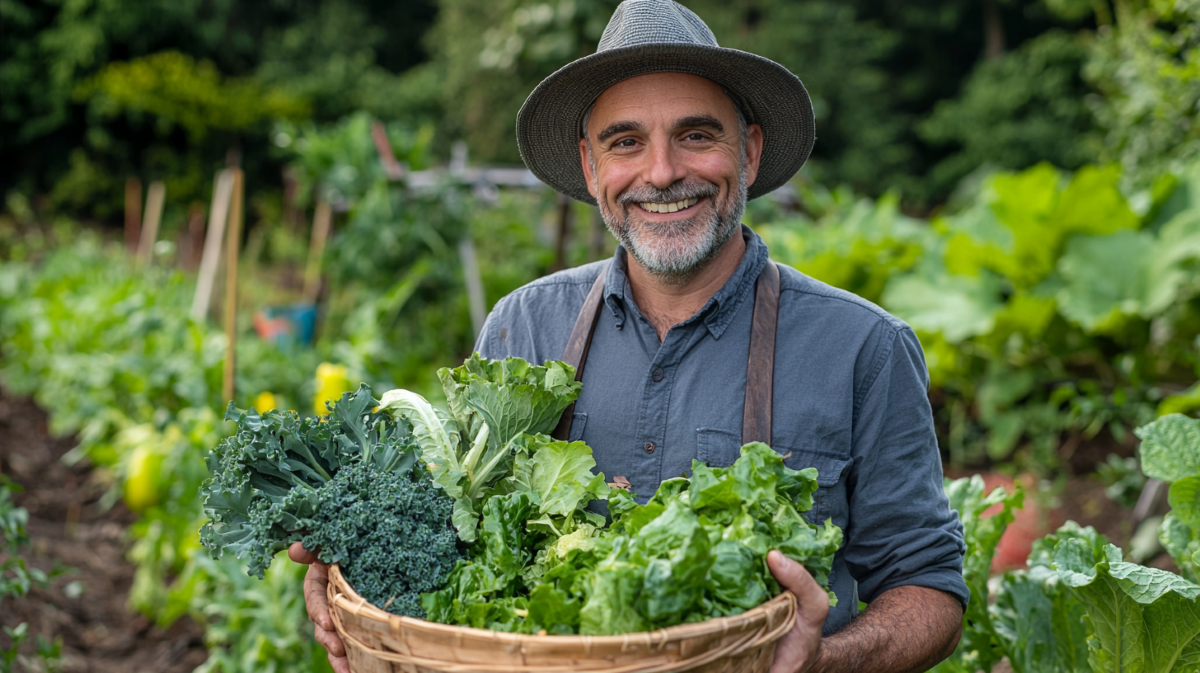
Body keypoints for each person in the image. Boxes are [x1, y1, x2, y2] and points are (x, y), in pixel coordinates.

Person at [291, 1, 969, 671]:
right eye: (625, 142)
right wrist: (351, 561)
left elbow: (931, 589)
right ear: (591, 169)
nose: (663, 172)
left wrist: (827, 660)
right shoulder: (523, 328)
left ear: (751, 151)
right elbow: (451, 531)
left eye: (697, 135)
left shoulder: (863, 348)